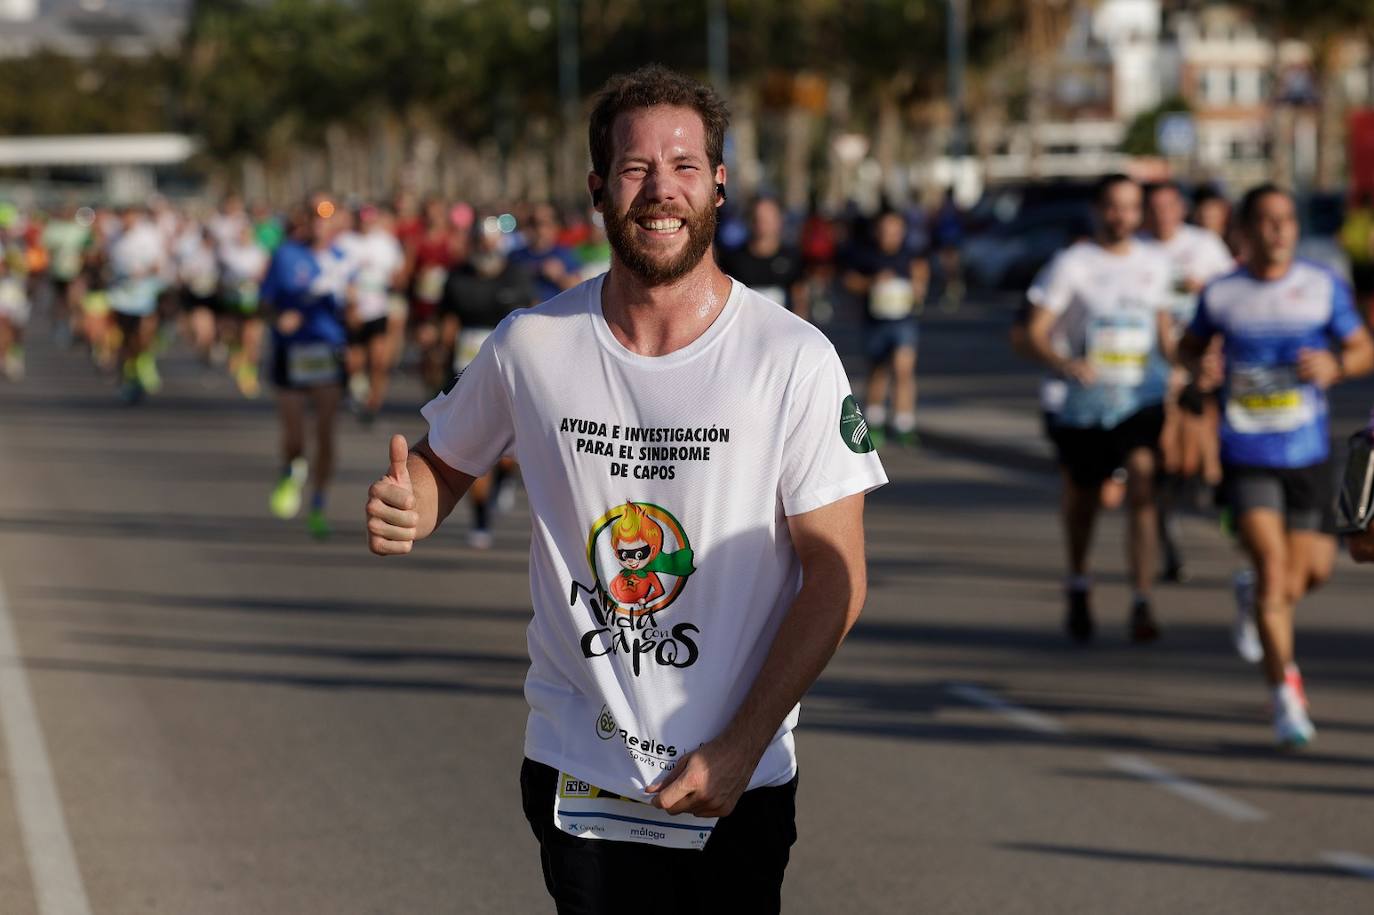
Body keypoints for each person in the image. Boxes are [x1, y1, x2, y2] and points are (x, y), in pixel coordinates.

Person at [366, 65, 885, 914]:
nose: (661, 189)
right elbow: (440, 469)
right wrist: (407, 505)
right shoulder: (533, 344)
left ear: (718, 183)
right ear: (599, 187)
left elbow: (837, 577)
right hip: (583, 764)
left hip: (740, 776)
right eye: (637, 168)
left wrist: (743, 742)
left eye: (684, 166)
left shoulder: (791, 359)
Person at [1180, 184, 1374, 748]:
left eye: (1286, 219)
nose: (1278, 230)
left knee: (1310, 573)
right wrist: (1203, 371)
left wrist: (1335, 364)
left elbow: (1365, 348)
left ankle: (1253, 596)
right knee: (1272, 567)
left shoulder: (1319, 286)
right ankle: (1284, 694)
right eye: (1265, 221)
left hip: (1307, 451)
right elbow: (1189, 349)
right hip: (1246, 451)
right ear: (1244, 230)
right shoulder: (1223, 294)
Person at [1024, 174, 1175, 644]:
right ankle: (1078, 579)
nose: (1122, 216)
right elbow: (1035, 332)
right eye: (1113, 206)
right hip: (1087, 406)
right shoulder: (1073, 264)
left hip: (1141, 399)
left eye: (1131, 207)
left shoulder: (1157, 263)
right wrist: (1065, 362)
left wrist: (1188, 368)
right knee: (1084, 501)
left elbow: (1165, 333)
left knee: (1144, 481)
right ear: (1097, 210)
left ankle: (1142, 597)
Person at [1141, 181, 1237, 583]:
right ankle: (1169, 539)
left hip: (1204, 366)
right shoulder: (1138, 249)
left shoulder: (1205, 247)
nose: (1163, 214)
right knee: (1165, 457)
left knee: (1206, 449)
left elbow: (1236, 296)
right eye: (1155, 207)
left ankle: (1225, 501)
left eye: (1170, 206)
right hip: (1153, 370)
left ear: (1181, 208)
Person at [438, 217, 536, 548]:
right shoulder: (456, 277)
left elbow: (533, 320)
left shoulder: (517, 276)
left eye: (491, 240)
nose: (485, 245)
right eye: (480, 240)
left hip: (510, 372)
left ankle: (504, 481)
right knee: (474, 447)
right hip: (466, 370)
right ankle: (480, 517)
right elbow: (446, 321)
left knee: (506, 451)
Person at [262, 201, 350, 540]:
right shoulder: (286, 256)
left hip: (327, 350)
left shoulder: (344, 260)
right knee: (295, 434)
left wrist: (355, 305)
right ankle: (290, 468)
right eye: (314, 216)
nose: (320, 223)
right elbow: (264, 302)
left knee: (326, 433)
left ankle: (318, 501)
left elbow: (357, 305)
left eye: (328, 217)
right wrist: (278, 319)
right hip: (291, 352)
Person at [844, 208, 929, 447]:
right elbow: (849, 281)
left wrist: (917, 289)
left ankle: (904, 422)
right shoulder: (866, 255)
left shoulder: (910, 255)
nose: (889, 235)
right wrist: (872, 282)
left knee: (903, 369)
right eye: (884, 230)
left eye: (894, 230)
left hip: (903, 320)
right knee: (878, 371)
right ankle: (874, 420)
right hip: (875, 321)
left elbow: (921, 276)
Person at [343, 204, 406, 423]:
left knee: (379, 359)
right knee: (354, 361)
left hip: (380, 307)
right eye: (361, 218)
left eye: (369, 218)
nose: (365, 223)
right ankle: (358, 389)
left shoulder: (386, 242)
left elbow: (398, 272)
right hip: (354, 309)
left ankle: (374, 402)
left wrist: (395, 284)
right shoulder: (345, 242)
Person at [108, 207, 167, 402]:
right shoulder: (113, 237)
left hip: (145, 296)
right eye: (123, 216)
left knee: (144, 335)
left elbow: (158, 265)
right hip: (121, 297)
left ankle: (144, 365)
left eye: (130, 216)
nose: (127, 220)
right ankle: (128, 377)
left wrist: (143, 273)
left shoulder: (148, 236)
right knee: (125, 339)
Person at [717, 196, 809, 318]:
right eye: (758, 217)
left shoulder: (792, 258)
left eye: (768, 218)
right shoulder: (733, 259)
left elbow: (800, 299)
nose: (762, 222)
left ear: (779, 220)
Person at [510, 202, 582, 303]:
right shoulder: (516, 256)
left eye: (543, 224)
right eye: (532, 223)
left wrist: (560, 276)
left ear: (555, 226)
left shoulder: (565, 254)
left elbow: (580, 290)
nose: (538, 230)